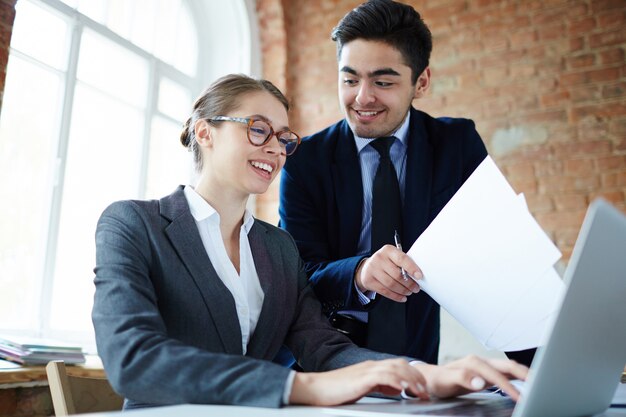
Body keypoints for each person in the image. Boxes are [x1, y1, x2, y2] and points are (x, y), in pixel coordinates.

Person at [92, 74, 527, 410]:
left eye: (284, 139)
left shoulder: (279, 248)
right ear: (205, 132)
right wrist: (302, 386)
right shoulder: (134, 224)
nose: (277, 150)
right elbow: (134, 359)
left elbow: (324, 348)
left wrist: (422, 376)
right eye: (258, 129)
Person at [279, 0, 536, 366]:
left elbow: (496, 254)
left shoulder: (456, 144)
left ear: (422, 81)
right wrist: (360, 273)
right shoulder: (305, 160)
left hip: (415, 358)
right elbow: (297, 274)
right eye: (349, 79)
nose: (362, 97)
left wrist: (538, 374)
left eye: (383, 82)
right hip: (319, 359)